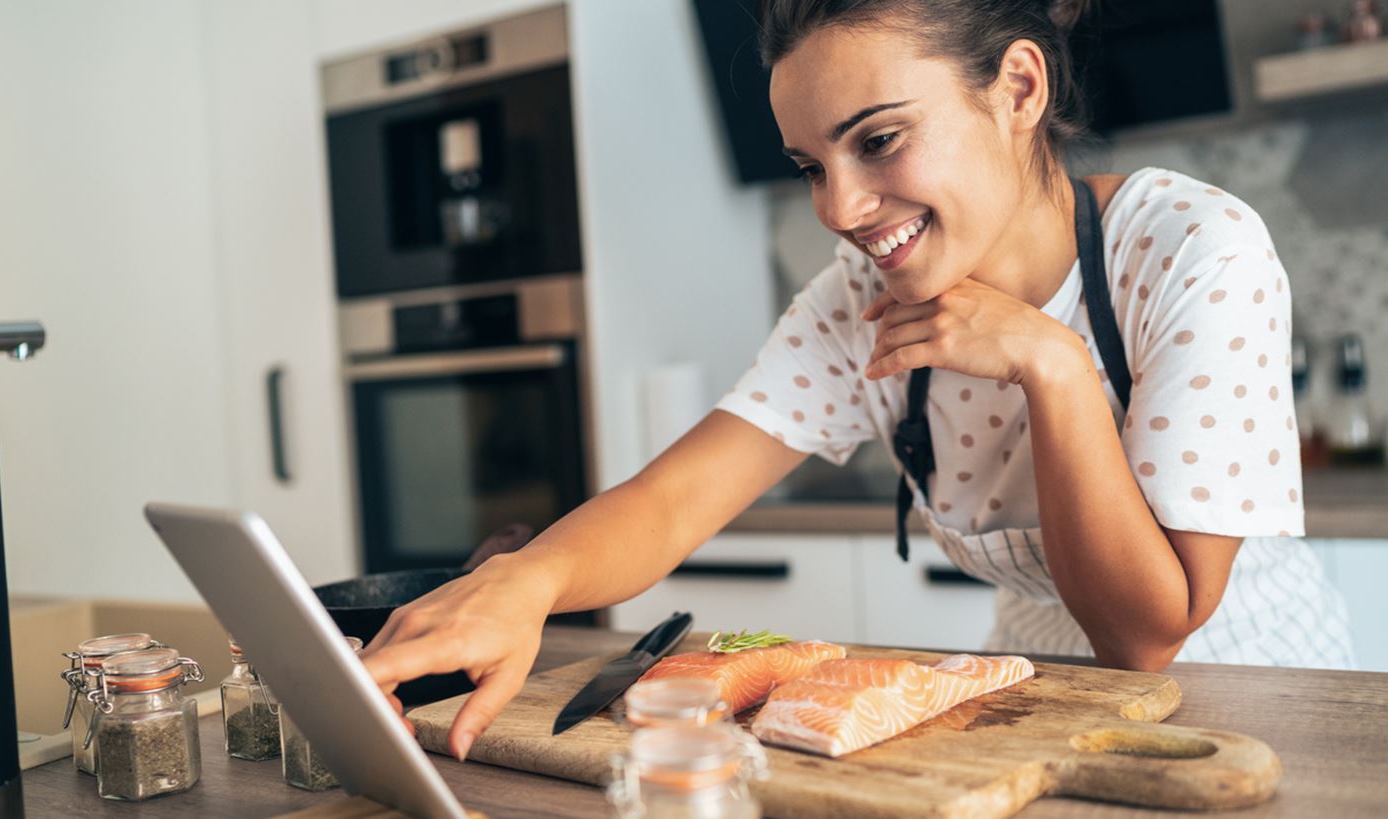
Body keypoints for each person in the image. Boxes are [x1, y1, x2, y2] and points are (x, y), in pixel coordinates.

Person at [362, 0, 1356, 761]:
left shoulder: (1192, 249)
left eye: (878, 140)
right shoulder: (859, 298)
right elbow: (671, 505)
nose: (839, 207)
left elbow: (1149, 632)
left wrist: (1048, 363)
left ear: (1018, 89)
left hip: (1259, 710)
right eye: (809, 164)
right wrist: (522, 583)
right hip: (1038, 704)